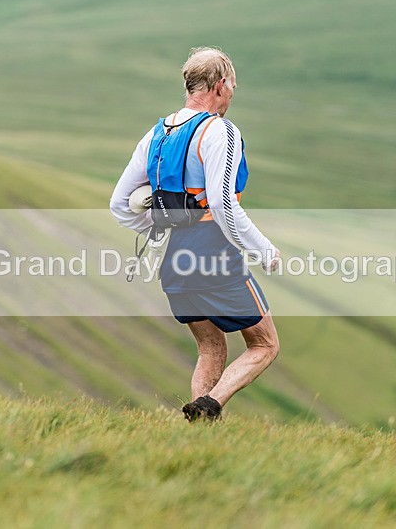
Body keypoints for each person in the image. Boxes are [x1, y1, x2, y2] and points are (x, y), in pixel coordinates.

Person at [110, 47, 280, 422]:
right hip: (213, 250)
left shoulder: (156, 134)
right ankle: (211, 405)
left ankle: (197, 429)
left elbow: (120, 204)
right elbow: (222, 205)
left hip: (174, 258)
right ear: (220, 86)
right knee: (265, 345)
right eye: (232, 86)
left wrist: (161, 227)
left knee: (210, 348)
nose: (232, 94)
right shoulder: (220, 130)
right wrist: (264, 249)